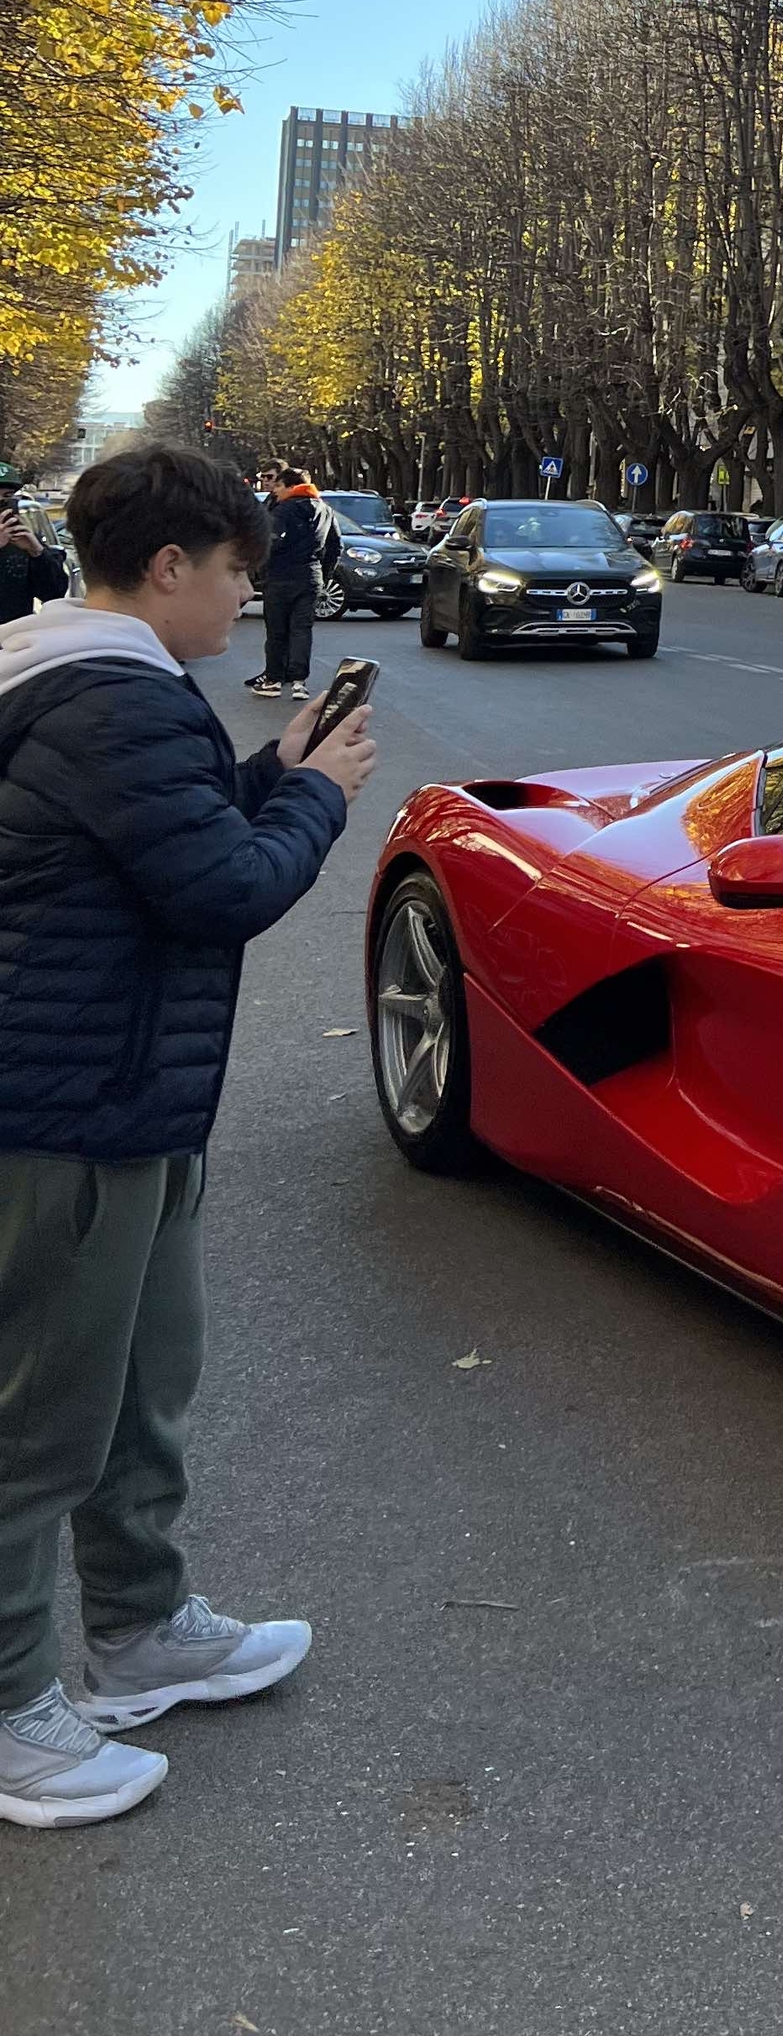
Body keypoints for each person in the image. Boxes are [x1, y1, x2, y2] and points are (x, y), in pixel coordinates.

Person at [0, 444, 377, 1829]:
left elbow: (155, 849)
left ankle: (141, 1630)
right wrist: (320, 794)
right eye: (233, 574)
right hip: (71, 1108)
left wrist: (267, 769)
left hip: (121, 1096)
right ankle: (14, 1714)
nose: (243, 603)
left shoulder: (93, 681)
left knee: (143, 1383)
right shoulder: (115, 699)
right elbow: (218, 891)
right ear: (168, 566)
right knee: (41, 1426)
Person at [247, 467, 329, 700]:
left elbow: (269, 542)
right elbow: (334, 545)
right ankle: (299, 682)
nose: (276, 491)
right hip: (311, 576)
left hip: (281, 577)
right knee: (302, 630)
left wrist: (262, 569)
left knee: (277, 631)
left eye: (279, 487)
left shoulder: (284, 511)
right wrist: (325, 574)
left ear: (291, 487)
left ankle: (273, 680)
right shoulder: (324, 509)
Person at [0, 495, 69, 629]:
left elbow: (54, 593)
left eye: (7, 497)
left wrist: (37, 552)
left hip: (16, 637)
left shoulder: (21, 540)